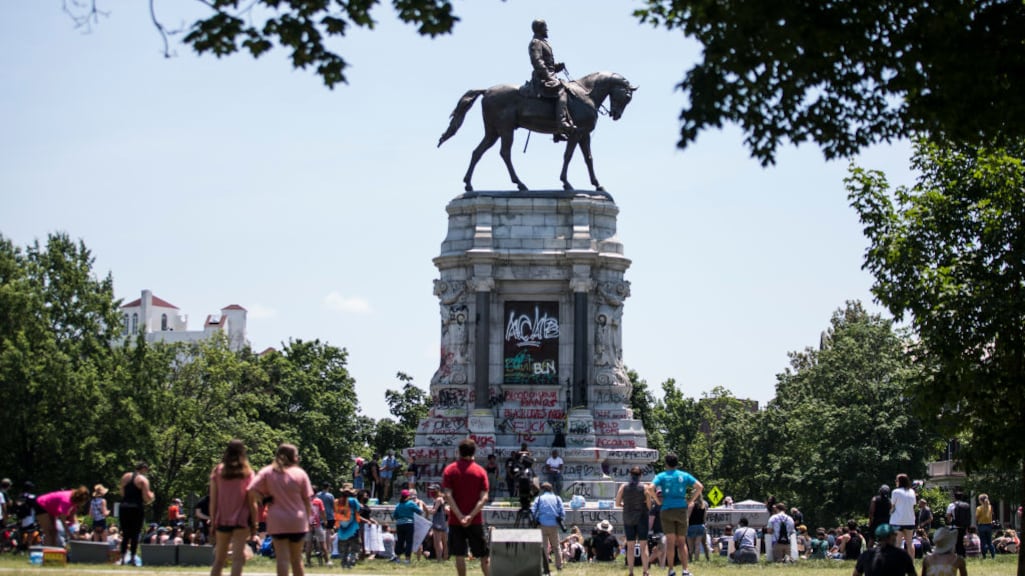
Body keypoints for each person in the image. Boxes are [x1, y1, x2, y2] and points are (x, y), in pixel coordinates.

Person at [249, 443, 313, 576]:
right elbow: (307, 501)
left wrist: (264, 499)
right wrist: (307, 520)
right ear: (294, 458)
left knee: (282, 558)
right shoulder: (300, 474)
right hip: (297, 521)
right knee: (296, 559)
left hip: (277, 520)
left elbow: (251, 489)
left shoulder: (268, 472)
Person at [442, 438, 490, 576]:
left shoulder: (450, 470)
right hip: (475, 520)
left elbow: (448, 495)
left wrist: (460, 516)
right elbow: (484, 498)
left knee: (459, 555)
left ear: (459, 452)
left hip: (455, 520)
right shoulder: (480, 471)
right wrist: (470, 516)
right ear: (474, 452)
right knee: (484, 555)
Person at [209, 440, 258, 576]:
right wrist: (255, 524)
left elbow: (213, 500)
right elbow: (252, 502)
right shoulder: (248, 473)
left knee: (219, 560)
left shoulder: (218, 471)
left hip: (222, 519)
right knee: (237, 559)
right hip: (241, 520)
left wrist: (213, 522)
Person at [652, 452, 703, 576]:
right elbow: (700, 487)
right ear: (677, 463)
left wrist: (657, 500)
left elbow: (649, 488)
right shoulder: (684, 475)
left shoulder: (661, 476)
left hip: (666, 509)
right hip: (681, 509)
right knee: (682, 542)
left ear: (666, 463)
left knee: (670, 542)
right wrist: (690, 500)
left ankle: (671, 570)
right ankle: (685, 570)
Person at [528, 18, 574, 141]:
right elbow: (537, 61)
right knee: (562, 91)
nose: (547, 29)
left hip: (549, 76)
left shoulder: (543, 42)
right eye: (545, 27)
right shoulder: (536, 42)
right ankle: (561, 124)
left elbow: (549, 65)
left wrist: (557, 67)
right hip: (542, 78)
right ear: (539, 29)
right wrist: (548, 76)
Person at [615, 466, 650, 576]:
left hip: (628, 518)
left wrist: (624, 505)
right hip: (641, 517)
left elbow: (617, 503)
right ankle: (645, 571)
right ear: (641, 475)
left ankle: (631, 571)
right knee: (643, 546)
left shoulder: (623, 487)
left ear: (630, 475)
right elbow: (649, 505)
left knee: (630, 546)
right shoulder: (645, 487)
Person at [119, 461, 155, 565]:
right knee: (135, 534)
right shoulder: (143, 480)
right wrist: (152, 496)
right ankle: (133, 558)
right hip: (136, 507)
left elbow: (122, 492)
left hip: (124, 506)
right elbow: (146, 498)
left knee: (125, 534)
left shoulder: (125, 476)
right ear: (143, 469)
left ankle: (122, 558)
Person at [530, 482, 566, 573]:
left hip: (542, 524)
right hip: (554, 525)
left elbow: (533, 511)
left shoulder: (539, 498)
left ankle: (545, 567)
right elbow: (562, 512)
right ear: (551, 489)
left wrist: (535, 520)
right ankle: (559, 566)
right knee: (556, 546)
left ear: (542, 490)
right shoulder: (557, 498)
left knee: (544, 547)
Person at [391, 489, 423, 564]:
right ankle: (407, 559)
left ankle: (398, 558)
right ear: (408, 496)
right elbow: (420, 511)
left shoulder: (398, 505)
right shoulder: (411, 503)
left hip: (399, 525)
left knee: (400, 541)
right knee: (409, 542)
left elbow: (395, 516)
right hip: (409, 524)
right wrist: (421, 504)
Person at [890, 473, 917, 559]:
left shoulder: (895, 492)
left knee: (897, 543)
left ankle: (897, 562)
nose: (895, 482)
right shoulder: (912, 491)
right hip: (909, 520)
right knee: (909, 543)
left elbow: (892, 506)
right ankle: (911, 562)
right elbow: (913, 505)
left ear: (900, 482)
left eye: (896, 480)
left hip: (897, 521)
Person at [946, 491, 972, 557]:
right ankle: (963, 554)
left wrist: (950, 522)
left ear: (954, 497)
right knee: (962, 540)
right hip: (964, 526)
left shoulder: (951, 505)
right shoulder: (966, 505)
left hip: (955, 526)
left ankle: (958, 554)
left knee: (956, 541)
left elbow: (948, 515)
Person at [429, 484, 449, 562]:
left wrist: (428, 510)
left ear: (437, 490)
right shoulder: (442, 499)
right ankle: (445, 558)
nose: (431, 491)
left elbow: (434, 511)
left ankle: (439, 559)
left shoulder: (438, 499)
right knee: (444, 541)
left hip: (438, 521)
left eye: (432, 490)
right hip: (443, 522)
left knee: (437, 542)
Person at [975, 494, 995, 559]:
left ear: (981, 500)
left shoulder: (979, 508)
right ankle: (993, 556)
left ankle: (984, 556)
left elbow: (976, 517)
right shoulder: (990, 507)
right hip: (989, 525)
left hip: (982, 526)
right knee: (990, 542)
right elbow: (991, 515)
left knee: (983, 542)